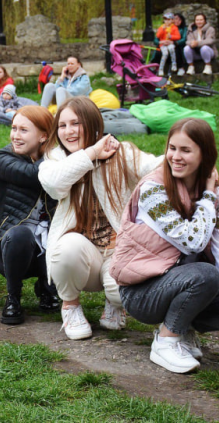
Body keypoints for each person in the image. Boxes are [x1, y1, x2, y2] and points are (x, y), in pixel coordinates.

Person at [113, 118, 219, 374]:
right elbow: (192, 241)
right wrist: (208, 195)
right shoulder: (153, 189)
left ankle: (183, 329)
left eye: (185, 150)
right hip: (141, 292)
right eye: (172, 148)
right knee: (206, 274)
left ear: (205, 155)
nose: (176, 157)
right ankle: (166, 340)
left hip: (182, 279)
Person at [38, 96, 160, 340]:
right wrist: (92, 152)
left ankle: (114, 304)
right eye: (62, 125)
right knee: (65, 250)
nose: (69, 131)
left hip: (119, 249)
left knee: (120, 292)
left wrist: (196, 165)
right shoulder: (56, 159)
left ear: (93, 123)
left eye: (76, 123)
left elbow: (155, 166)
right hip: (83, 253)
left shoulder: (120, 152)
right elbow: (53, 184)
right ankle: (70, 306)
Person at [0, 106, 60, 325]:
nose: (15, 136)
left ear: (43, 136)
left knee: (68, 239)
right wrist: (60, 152)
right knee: (20, 234)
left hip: (49, 244)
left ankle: (46, 286)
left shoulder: (56, 161)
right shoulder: (3, 157)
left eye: (23, 130)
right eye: (14, 128)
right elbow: (33, 174)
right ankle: (13, 298)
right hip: (12, 248)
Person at [156, 12, 181, 77]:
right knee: (165, 53)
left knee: (171, 49)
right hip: (163, 44)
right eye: (165, 19)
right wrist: (163, 29)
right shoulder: (161, 27)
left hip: (170, 43)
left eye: (169, 19)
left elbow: (178, 36)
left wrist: (171, 37)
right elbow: (158, 36)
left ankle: (174, 64)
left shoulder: (174, 27)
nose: (167, 21)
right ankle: (161, 68)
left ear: (172, 20)